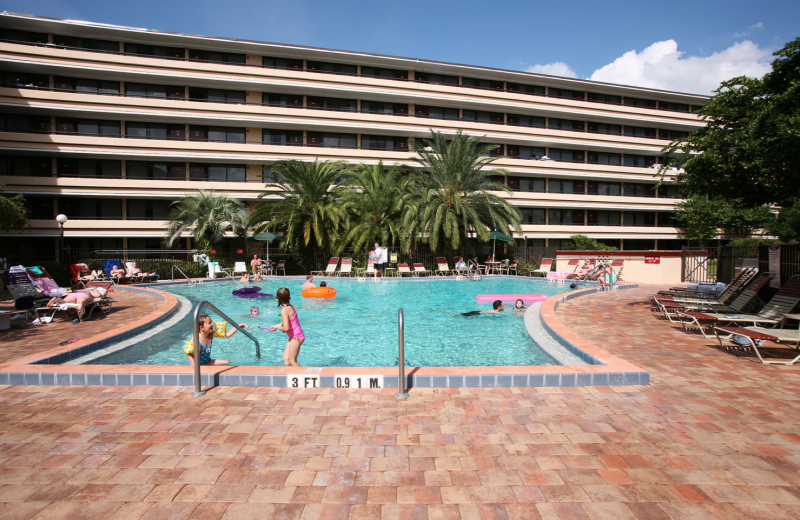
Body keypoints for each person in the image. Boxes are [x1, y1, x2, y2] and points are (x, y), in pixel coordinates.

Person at [183, 314, 248, 366]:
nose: (212, 324)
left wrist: (238, 326)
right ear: (201, 328)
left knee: (227, 362)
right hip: (197, 365)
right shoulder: (196, 339)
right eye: (209, 323)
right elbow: (190, 355)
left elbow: (227, 334)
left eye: (211, 322)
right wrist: (195, 367)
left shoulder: (211, 335)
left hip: (208, 362)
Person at [267, 288, 305, 367]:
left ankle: (302, 375)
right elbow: (287, 323)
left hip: (296, 337)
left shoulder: (284, 310)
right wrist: (275, 326)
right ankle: (290, 374)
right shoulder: (291, 307)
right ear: (289, 298)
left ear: (277, 299)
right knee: (286, 358)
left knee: (292, 361)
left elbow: (286, 328)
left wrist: (278, 328)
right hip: (294, 336)